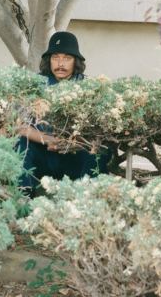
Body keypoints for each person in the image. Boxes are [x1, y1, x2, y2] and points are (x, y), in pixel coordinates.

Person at [17, 31, 109, 196]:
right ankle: (23, 196)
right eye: (55, 57)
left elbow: (99, 131)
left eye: (67, 58)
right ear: (49, 60)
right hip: (43, 155)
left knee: (101, 150)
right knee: (20, 143)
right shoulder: (34, 85)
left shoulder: (89, 86)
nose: (60, 63)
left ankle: (86, 199)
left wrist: (70, 143)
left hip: (75, 155)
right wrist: (46, 139)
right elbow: (20, 126)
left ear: (76, 61)